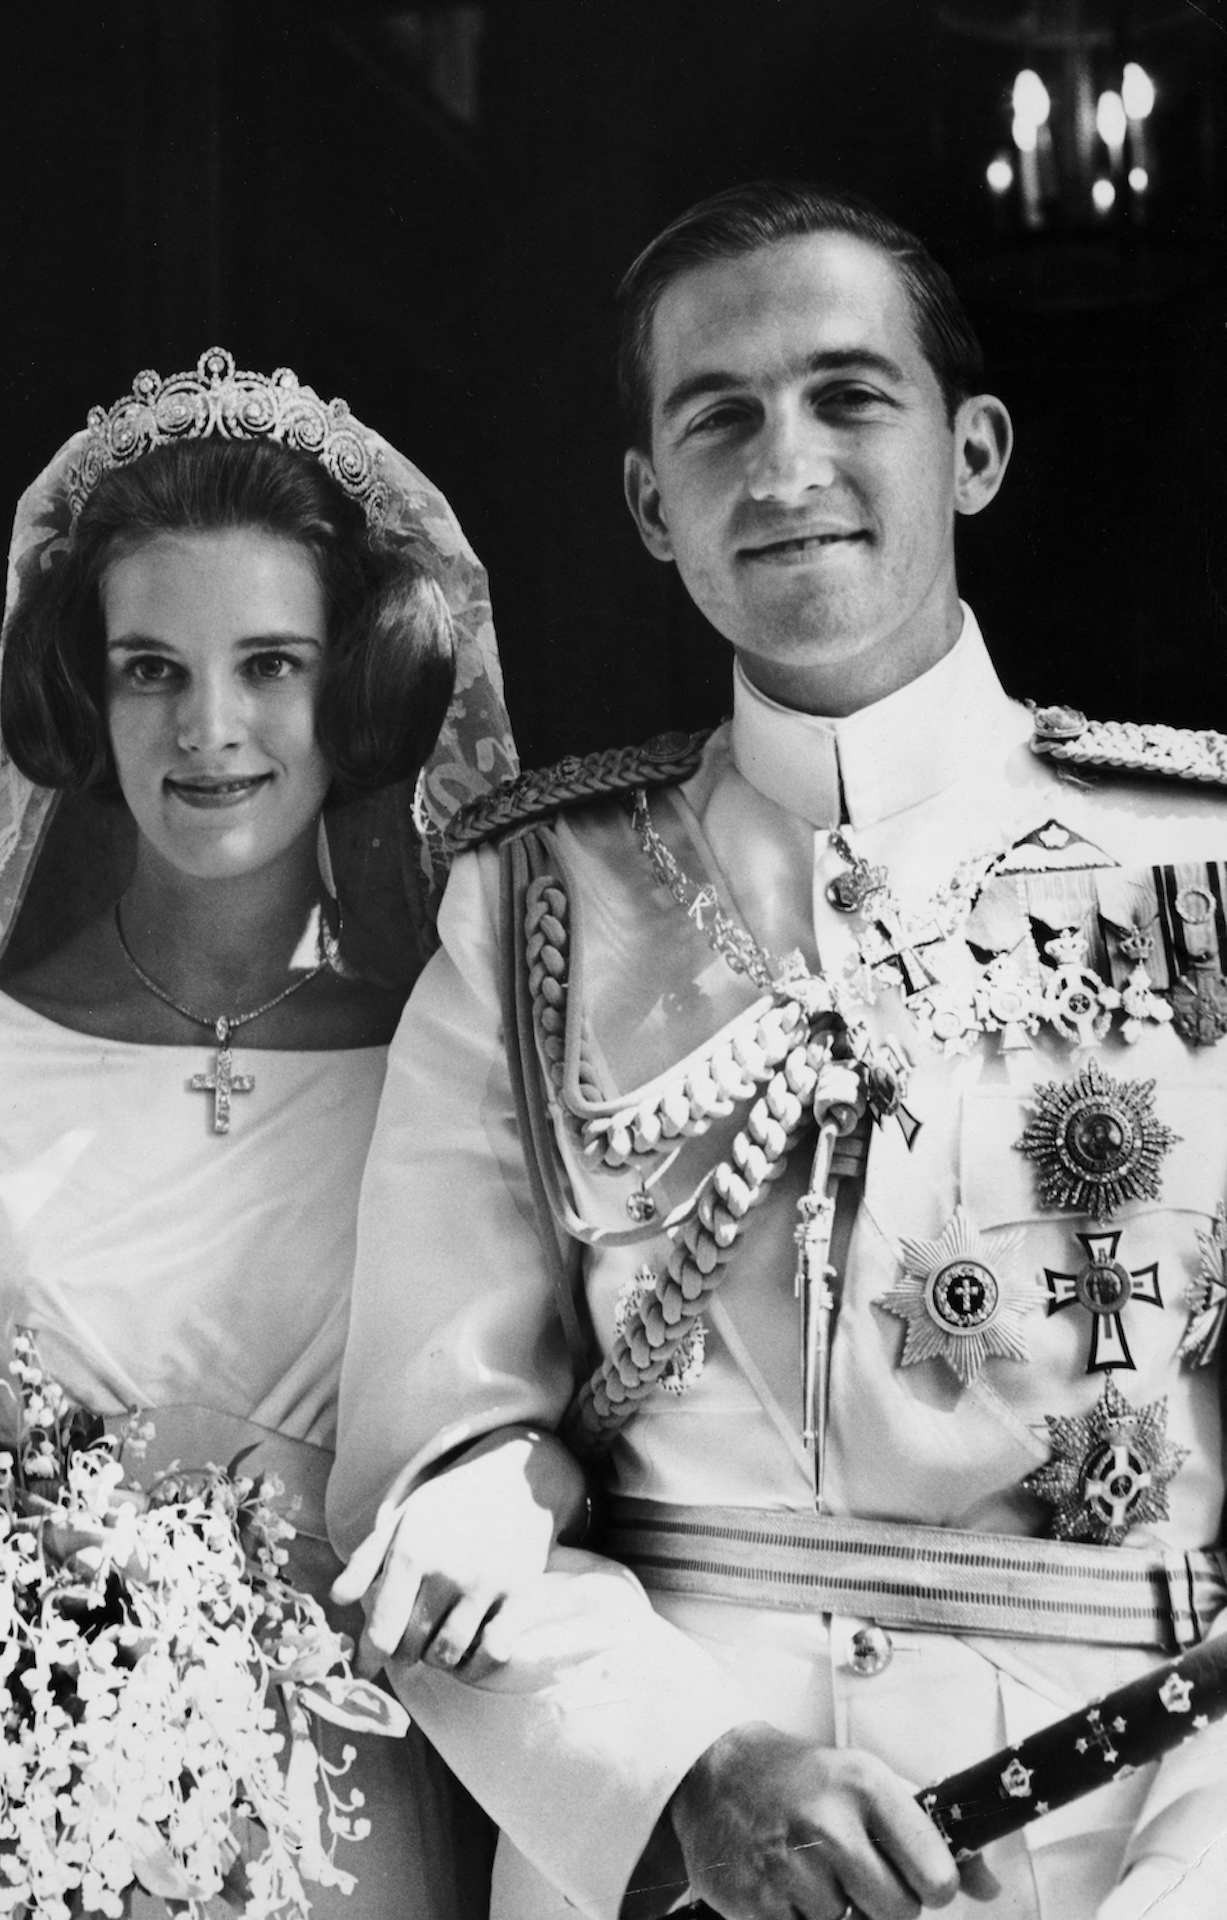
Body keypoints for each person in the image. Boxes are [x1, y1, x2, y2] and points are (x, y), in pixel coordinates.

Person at [326, 185, 1227, 1920]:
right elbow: (434, 1470)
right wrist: (683, 1776)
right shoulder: (534, 904)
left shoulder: (1194, 865)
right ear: (651, 506)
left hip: (1131, 1844)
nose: (785, 459)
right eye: (718, 416)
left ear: (972, 451)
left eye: (849, 395)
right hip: (678, 1869)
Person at [0, 348, 586, 1916]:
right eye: (152, 668)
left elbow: (595, 1422)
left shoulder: (457, 1048)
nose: (210, 728)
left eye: (273, 663)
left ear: (358, 680)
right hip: (36, 1831)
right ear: (83, 690)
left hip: (372, 1812)